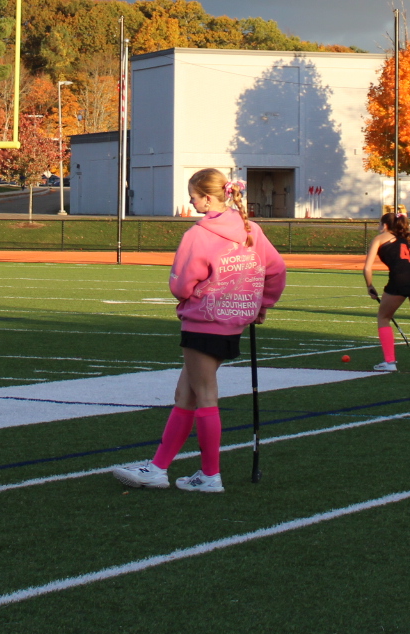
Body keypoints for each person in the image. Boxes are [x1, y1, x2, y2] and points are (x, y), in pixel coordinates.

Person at [111, 168, 287, 494]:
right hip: (233, 323)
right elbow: (276, 270)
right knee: (186, 394)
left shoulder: (199, 233)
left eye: (193, 196)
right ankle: (159, 467)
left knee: (204, 396)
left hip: (203, 322)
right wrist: (261, 305)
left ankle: (209, 475)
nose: (190, 202)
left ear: (208, 197)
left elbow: (182, 284)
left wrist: (187, 293)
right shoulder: (250, 229)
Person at [361, 210, 410, 371]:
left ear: (385, 225)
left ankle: (389, 362)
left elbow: (367, 268)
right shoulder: (404, 240)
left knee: (383, 317)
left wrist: (370, 286)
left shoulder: (380, 238)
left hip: (400, 278)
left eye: (380, 224)